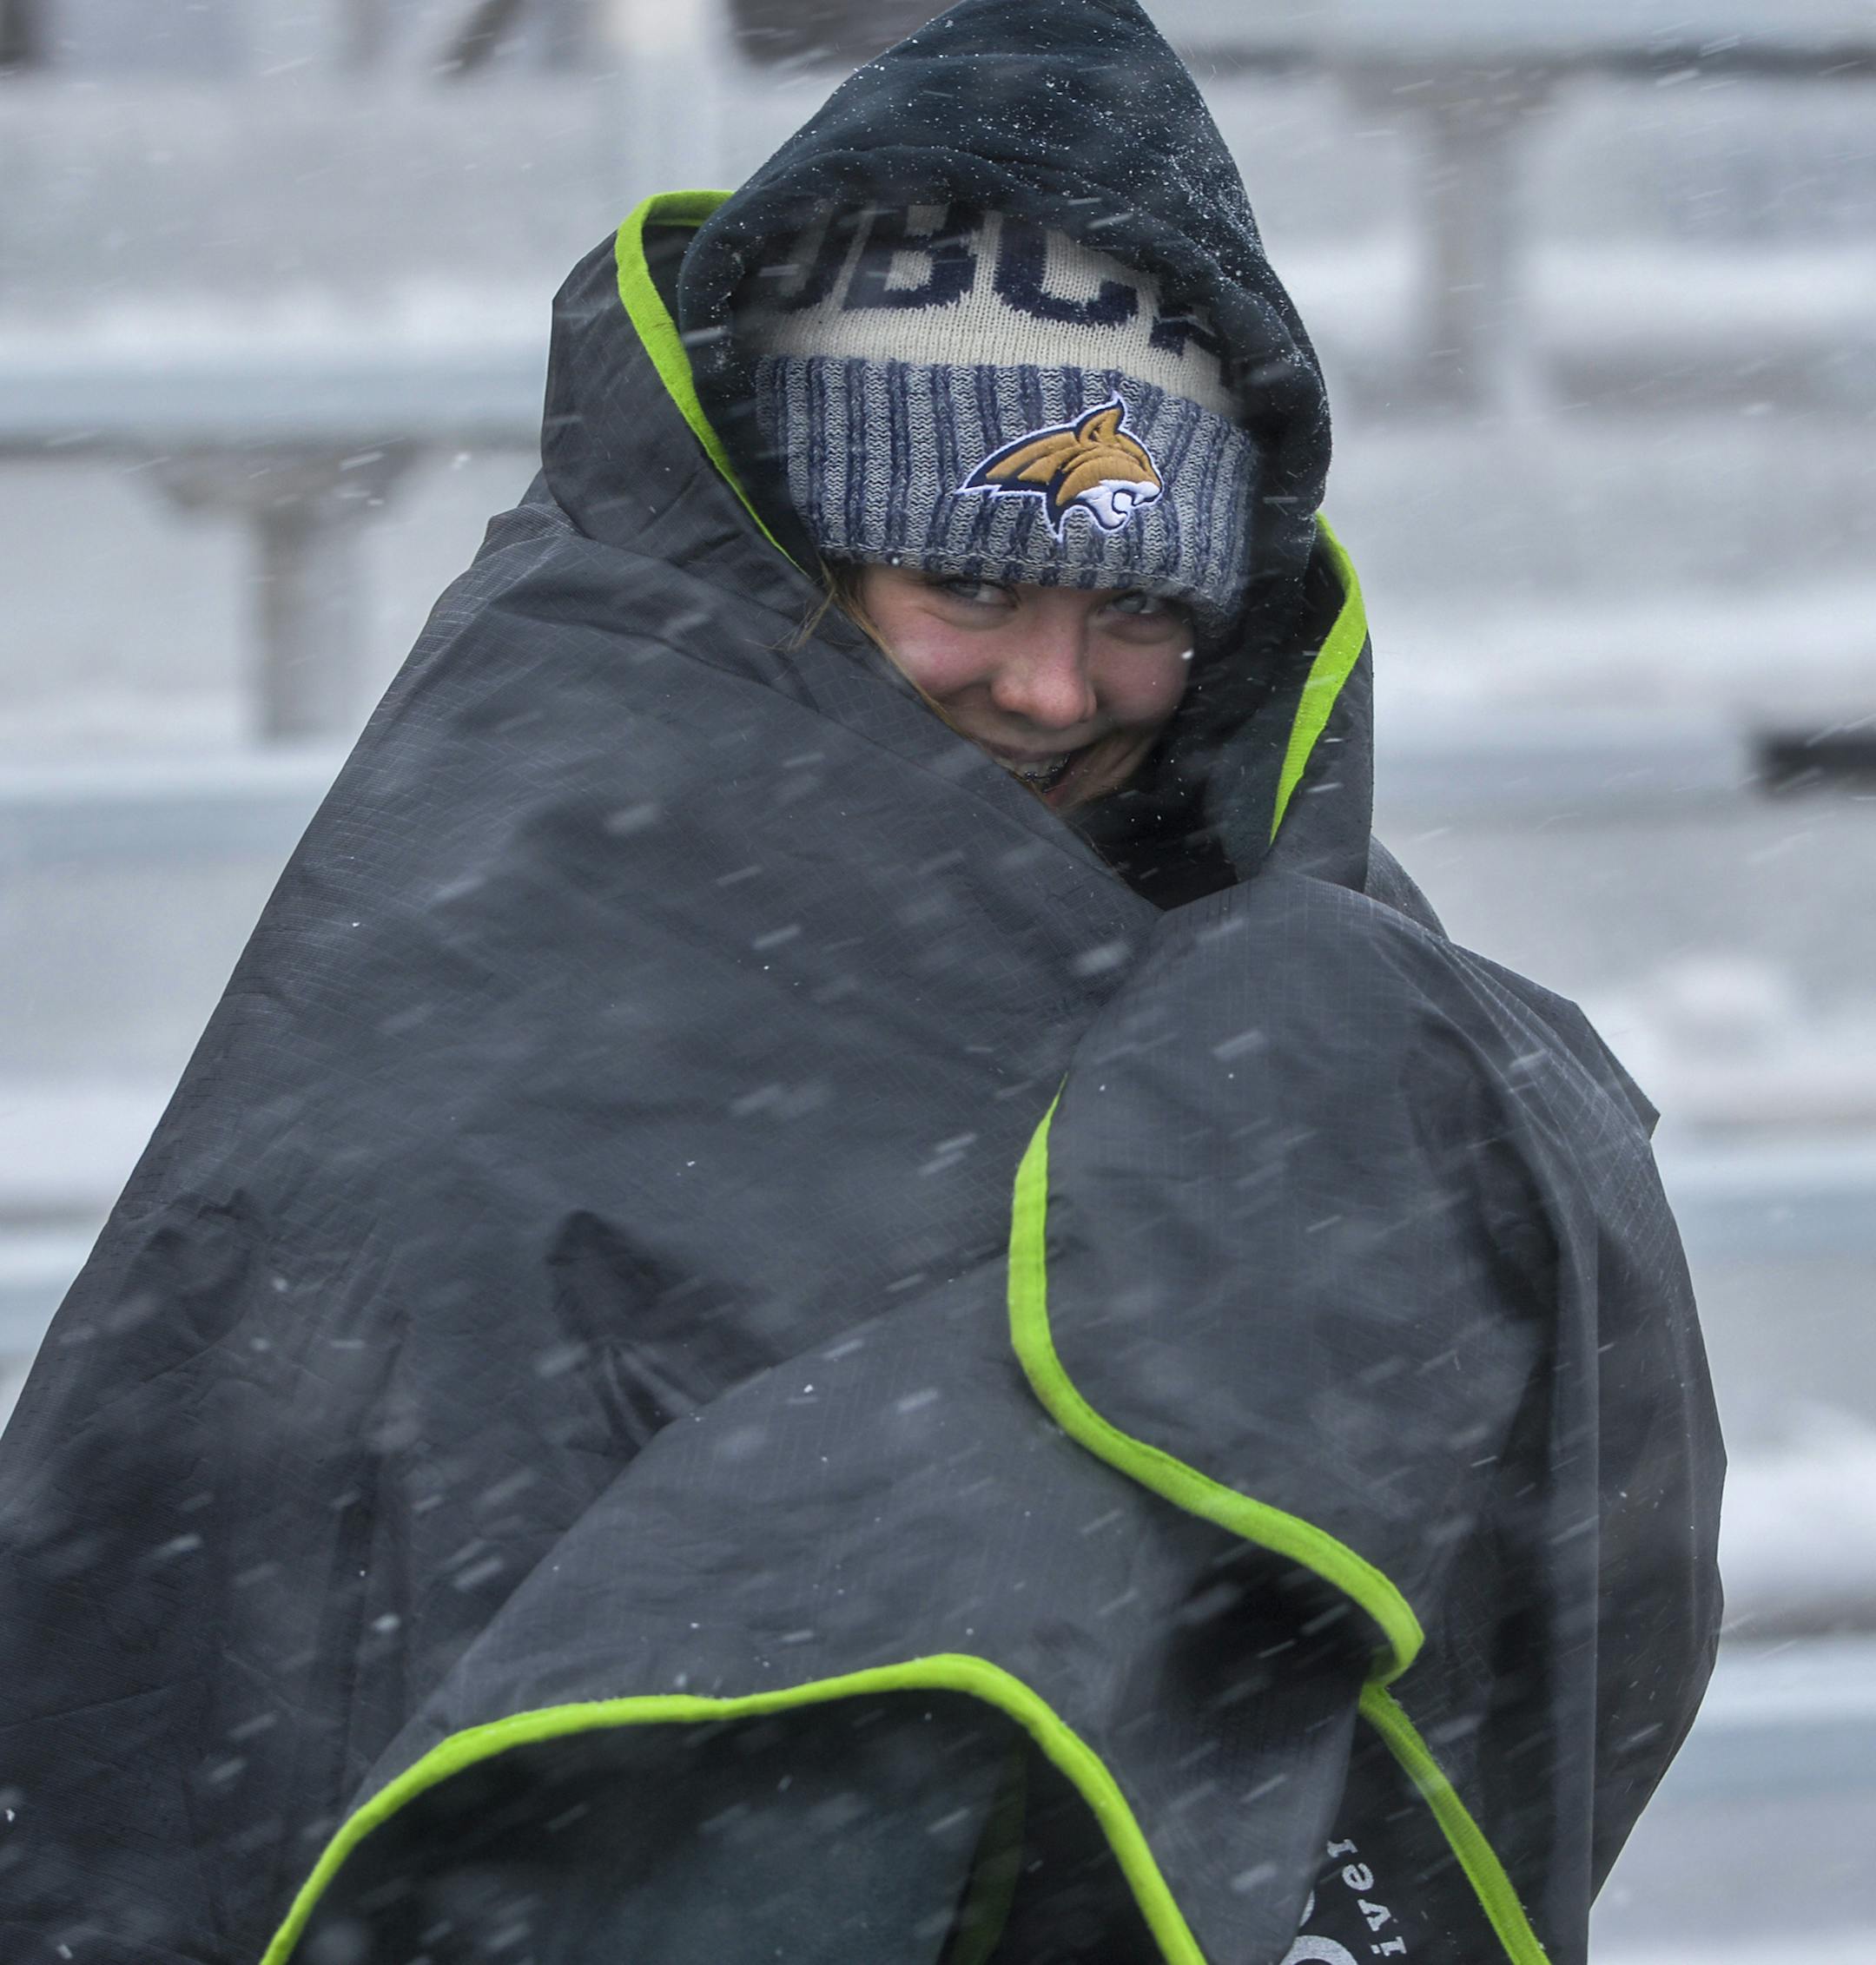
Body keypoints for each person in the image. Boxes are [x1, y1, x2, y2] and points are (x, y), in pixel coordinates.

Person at [0, 3, 1721, 1962]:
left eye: (1139, 608)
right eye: (967, 585)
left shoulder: (1257, 958)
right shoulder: (522, 905)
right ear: (799, 553)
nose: (1054, 693)